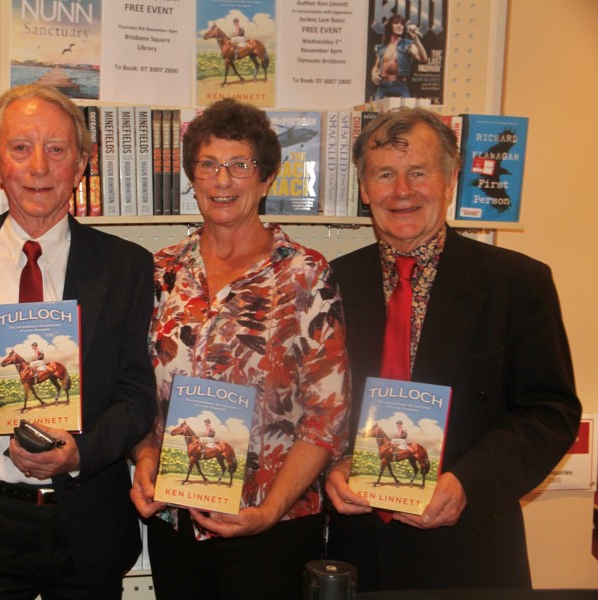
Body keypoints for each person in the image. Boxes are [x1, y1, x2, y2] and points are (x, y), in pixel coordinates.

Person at [324, 107, 581, 591]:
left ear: (450, 181)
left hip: (471, 550)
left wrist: (468, 484)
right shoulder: (331, 283)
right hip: (358, 549)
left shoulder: (517, 283)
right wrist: (332, 467)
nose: (402, 191)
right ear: (364, 189)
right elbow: (313, 408)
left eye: (419, 172)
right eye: (385, 174)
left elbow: (550, 413)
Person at [0, 83, 157, 599]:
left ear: (80, 166)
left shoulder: (126, 265)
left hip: (86, 524)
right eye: (21, 148)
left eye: (56, 150)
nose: (39, 166)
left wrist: (79, 453)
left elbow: (136, 395)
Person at [129, 98, 351, 599]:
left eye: (240, 165)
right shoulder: (161, 272)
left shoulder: (306, 275)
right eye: (208, 165)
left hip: (272, 526)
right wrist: (144, 456)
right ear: (192, 178)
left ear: (267, 178)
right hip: (176, 520)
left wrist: (269, 511)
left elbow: (328, 416)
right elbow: (135, 388)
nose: (222, 180)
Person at [371, 14, 427, 99]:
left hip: (400, 86)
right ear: (390, 26)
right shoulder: (382, 47)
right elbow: (376, 67)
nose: (400, 26)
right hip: (383, 86)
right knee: (376, 108)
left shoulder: (407, 44)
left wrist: (416, 39)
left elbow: (424, 59)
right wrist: (373, 74)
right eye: (396, 23)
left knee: (406, 108)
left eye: (402, 24)